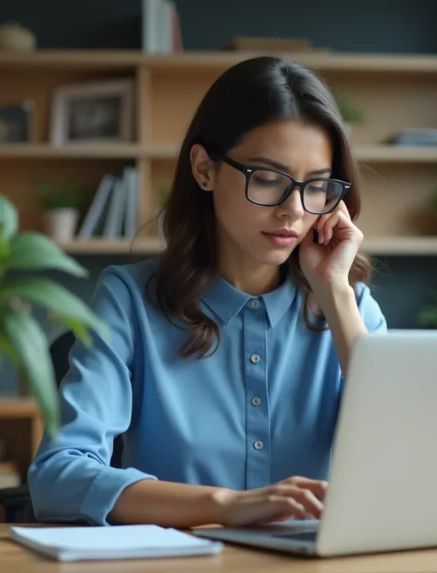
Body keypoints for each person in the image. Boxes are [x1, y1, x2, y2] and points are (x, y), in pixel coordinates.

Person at [27, 55, 388, 529]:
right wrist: (224, 505)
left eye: (316, 187)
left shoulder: (352, 308)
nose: (294, 211)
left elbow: (410, 464)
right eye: (267, 179)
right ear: (204, 168)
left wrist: (336, 295)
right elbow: (57, 475)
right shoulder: (130, 299)